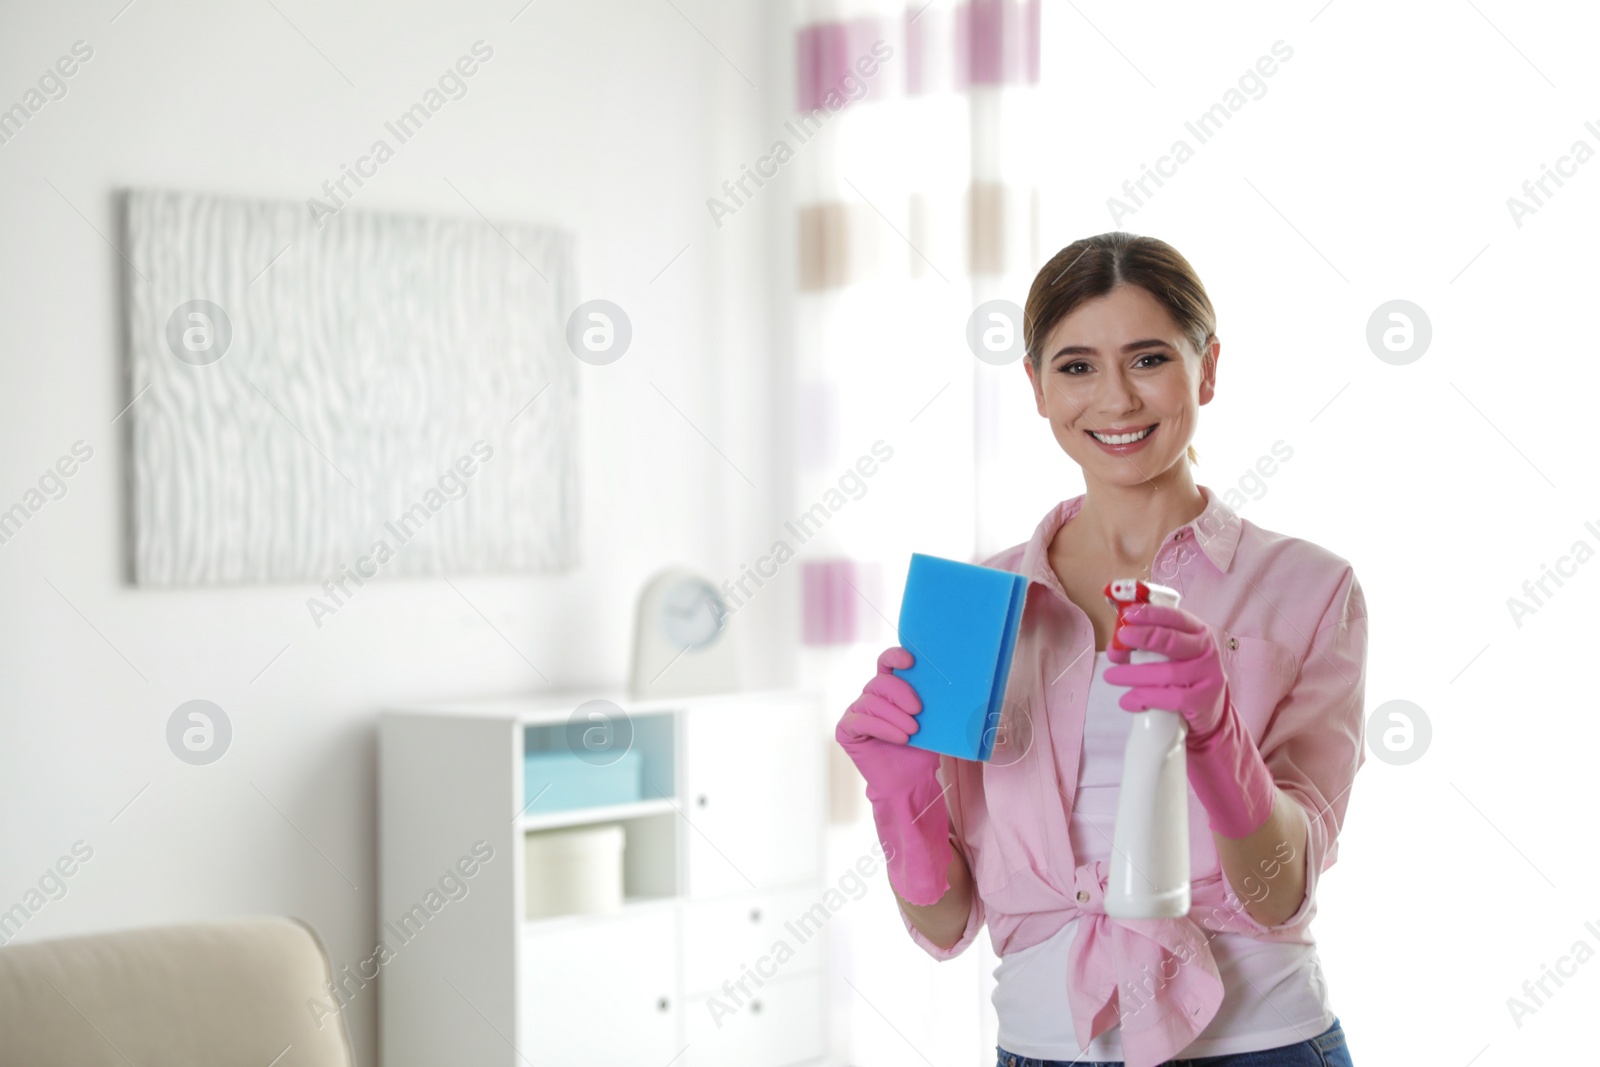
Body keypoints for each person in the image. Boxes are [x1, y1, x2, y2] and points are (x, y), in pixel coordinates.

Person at [836, 232, 1367, 1067]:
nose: (1115, 399)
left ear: (1209, 368)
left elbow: (1278, 893)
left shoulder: (1309, 587)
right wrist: (898, 793)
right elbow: (944, 924)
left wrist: (1218, 738)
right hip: (1044, 1046)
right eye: (1076, 366)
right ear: (1038, 389)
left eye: (1149, 358)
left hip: (1259, 1043)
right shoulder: (976, 605)